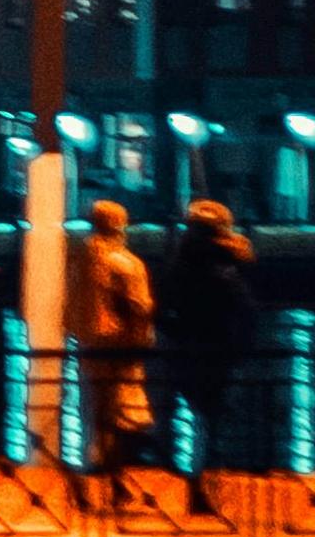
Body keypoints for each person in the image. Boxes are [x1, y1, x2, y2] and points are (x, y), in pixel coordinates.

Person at [163, 191, 260, 516]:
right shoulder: (227, 263)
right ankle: (204, 483)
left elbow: (166, 307)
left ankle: (195, 480)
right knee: (213, 418)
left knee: (196, 415)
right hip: (218, 346)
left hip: (189, 346)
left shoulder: (181, 262)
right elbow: (241, 305)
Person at [78, 194, 159, 510]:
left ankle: (92, 486)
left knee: (95, 419)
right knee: (122, 420)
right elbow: (140, 307)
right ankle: (118, 487)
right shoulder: (126, 263)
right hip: (122, 348)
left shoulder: (83, 259)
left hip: (89, 347)